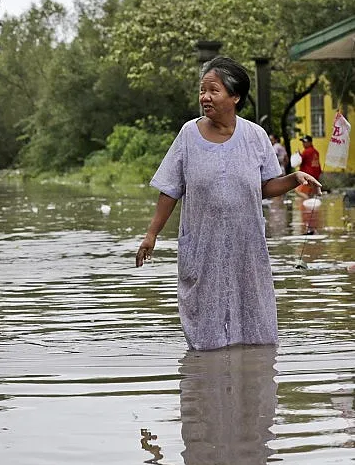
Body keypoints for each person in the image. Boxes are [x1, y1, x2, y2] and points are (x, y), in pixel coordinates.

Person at [136, 57, 322, 351]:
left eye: (213, 90)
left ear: (235, 96)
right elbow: (170, 189)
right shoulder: (188, 135)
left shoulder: (255, 136)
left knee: (255, 337)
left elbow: (265, 187)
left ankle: (252, 384)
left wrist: (294, 178)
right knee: (205, 341)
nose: (205, 97)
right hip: (202, 246)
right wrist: (152, 234)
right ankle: (206, 388)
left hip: (246, 247)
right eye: (202, 91)